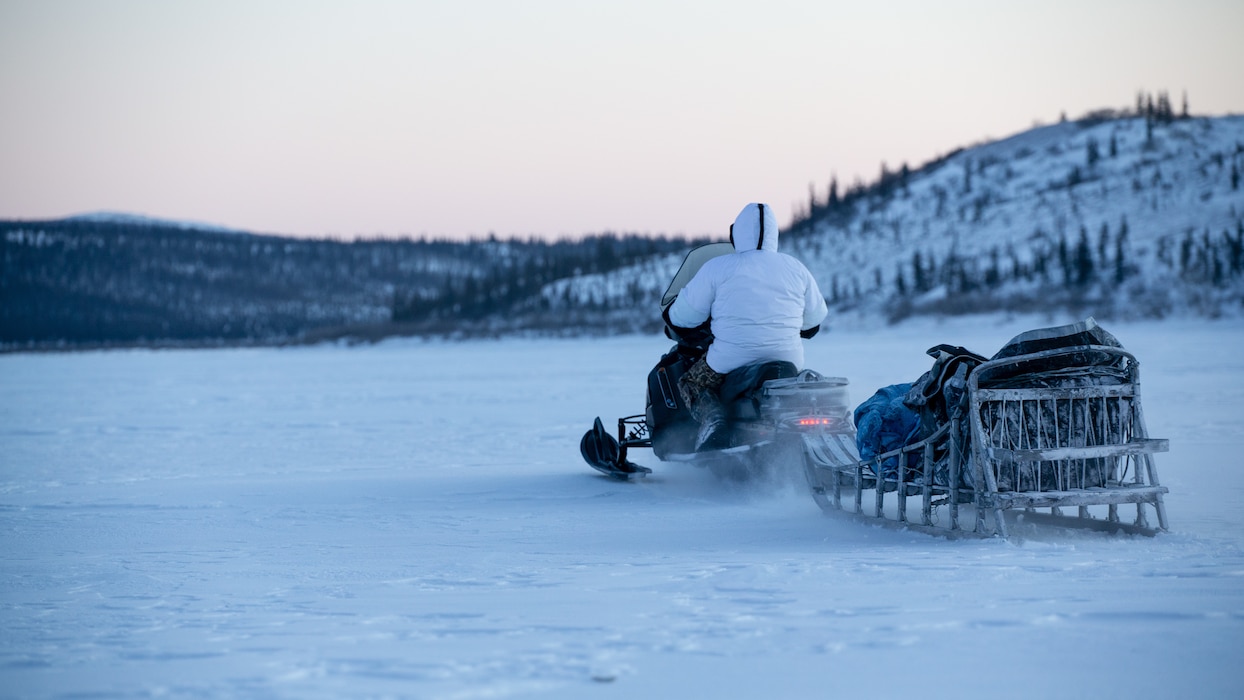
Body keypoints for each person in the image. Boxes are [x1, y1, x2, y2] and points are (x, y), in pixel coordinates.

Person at [664, 202, 828, 450]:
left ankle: (713, 420)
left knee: (692, 382)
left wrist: (672, 313)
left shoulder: (718, 268)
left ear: (736, 234)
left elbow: (684, 316)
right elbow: (815, 319)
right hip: (787, 361)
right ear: (775, 234)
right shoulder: (796, 268)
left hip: (731, 360)